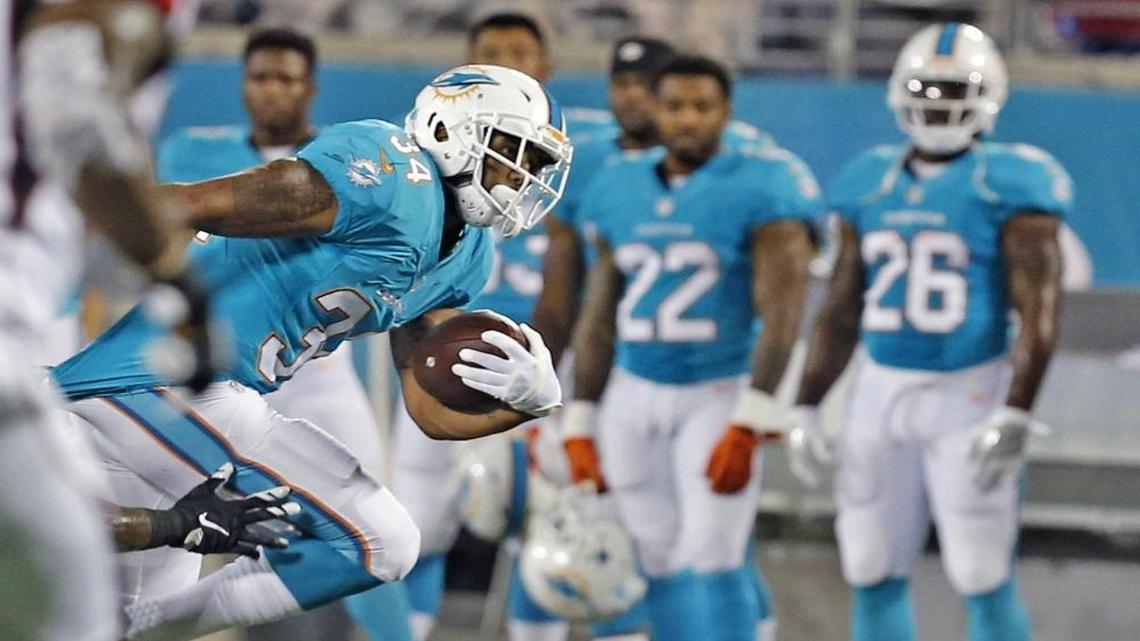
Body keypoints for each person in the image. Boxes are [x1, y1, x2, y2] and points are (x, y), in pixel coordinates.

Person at [51, 63, 572, 641]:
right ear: (449, 128)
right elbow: (196, 203)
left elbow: (428, 409)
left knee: (104, 628)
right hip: (159, 385)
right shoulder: (390, 173)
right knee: (383, 542)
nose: (521, 176)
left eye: (535, 164)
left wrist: (530, 403)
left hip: (170, 415)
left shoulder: (469, 258)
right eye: (512, 151)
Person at [789, 23, 1069, 641]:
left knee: (980, 568)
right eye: (927, 89)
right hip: (878, 389)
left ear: (988, 96)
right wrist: (807, 401)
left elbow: (1039, 310)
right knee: (868, 562)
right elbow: (841, 308)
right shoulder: (869, 181)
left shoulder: (1011, 182)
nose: (939, 104)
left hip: (969, 389)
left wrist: (1017, 409)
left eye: (955, 90)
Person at [157, 29, 410, 640]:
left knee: (376, 534)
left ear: (310, 88)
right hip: (215, 377)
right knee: (182, 537)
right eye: (261, 77)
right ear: (243, 83)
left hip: (316, 377)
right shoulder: (188, 153)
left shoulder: (352, 161)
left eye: (286, 79)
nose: (272, 90)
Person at [566, 55, 820, 641]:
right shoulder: (617, 186)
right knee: (650, 552)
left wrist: (752, 417)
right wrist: (580, 418)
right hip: (632, 390)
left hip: (716, 388)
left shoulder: (762, 185)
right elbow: (599, 315)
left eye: (702, 107)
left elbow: (783, 316)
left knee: (714, 554)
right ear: (654, 110)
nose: (688, 119)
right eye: (675, 106)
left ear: (726, 112)